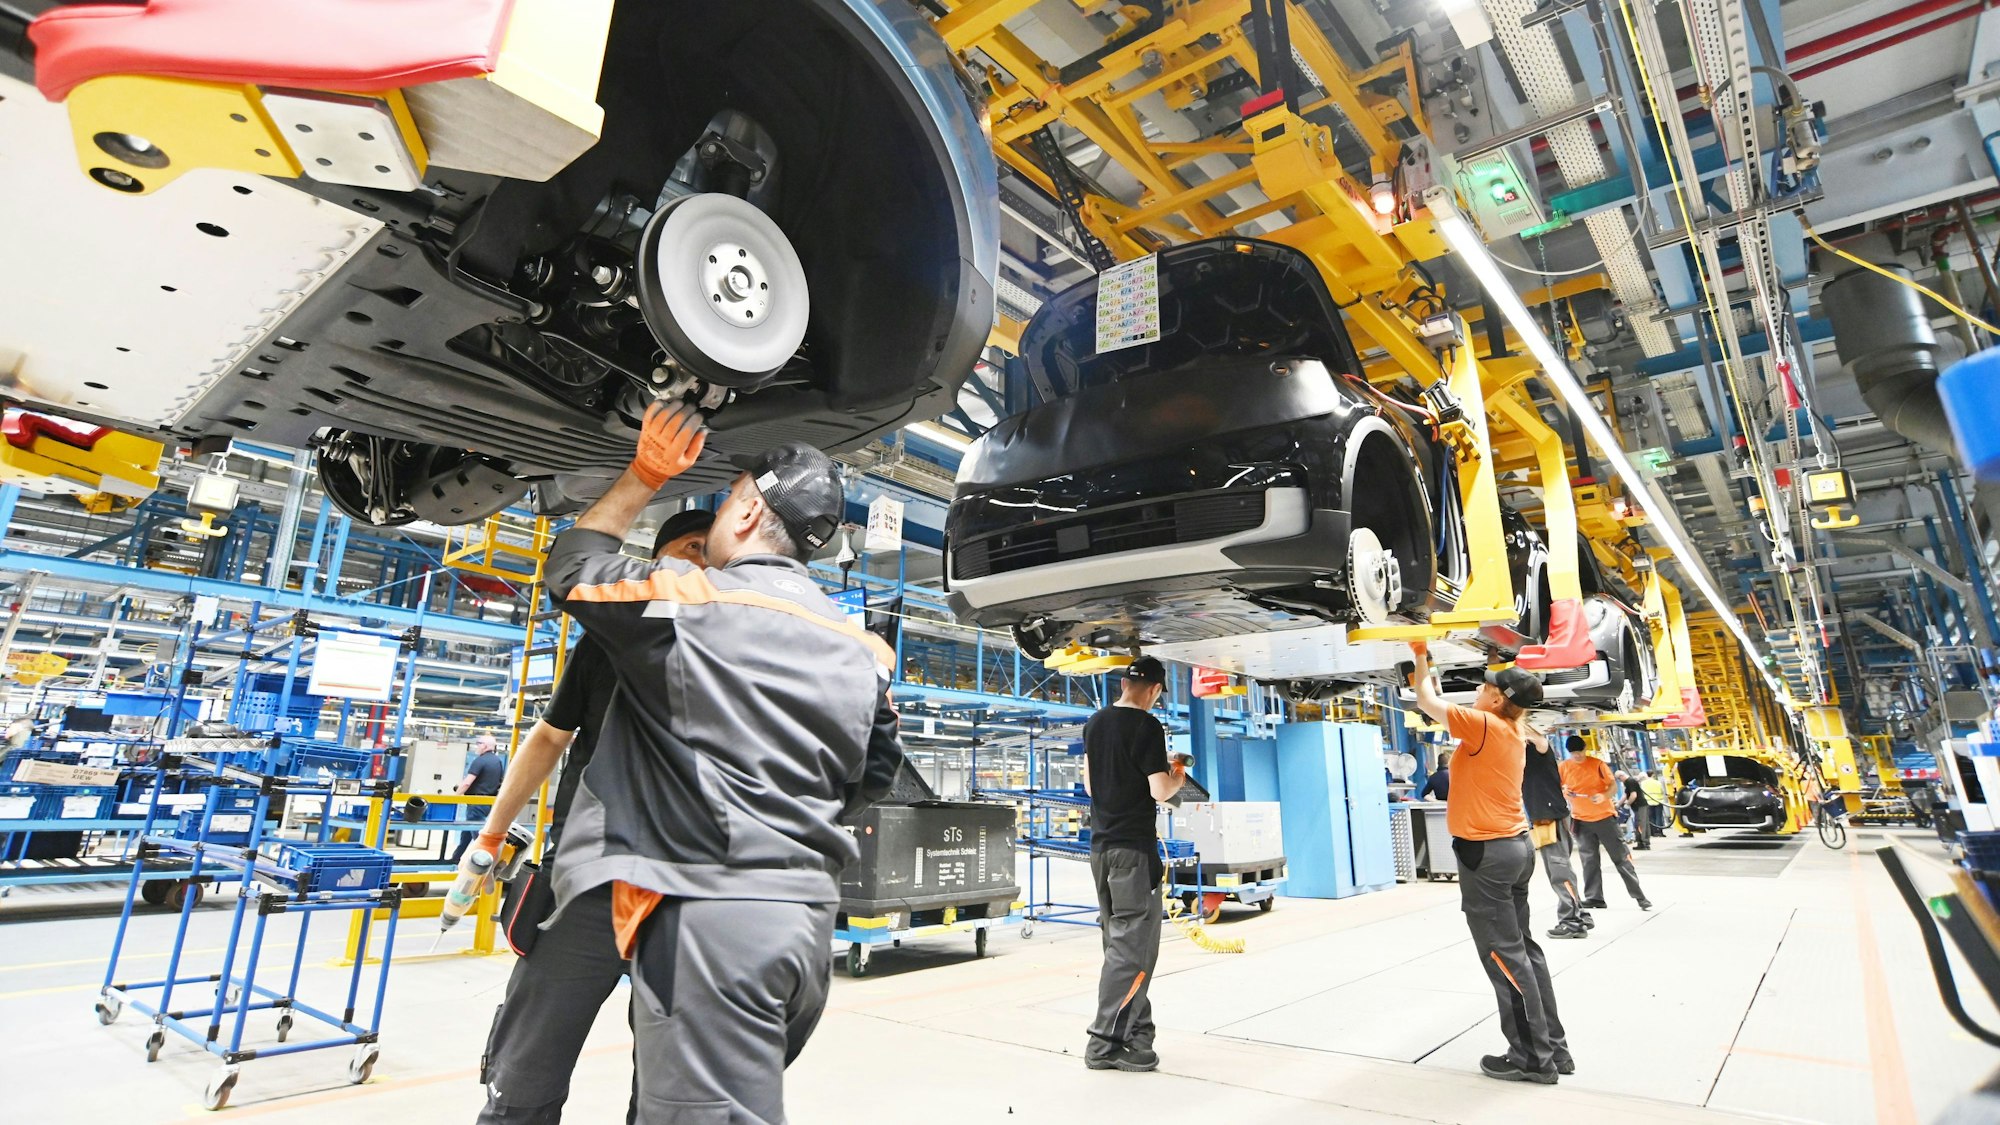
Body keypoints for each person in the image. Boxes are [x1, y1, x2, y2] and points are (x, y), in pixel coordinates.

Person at [467, 403, 905, 1124]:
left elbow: (573, 566)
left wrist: (646, 473)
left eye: (728, 501)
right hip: (795, 926)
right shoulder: (863, 648)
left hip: (703, 918)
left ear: (745, 514)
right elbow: (873, 774)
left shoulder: (689, 602)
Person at [454, 508, 712, 1124]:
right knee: (526, 1068)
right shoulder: (610, 640)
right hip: (588, 884)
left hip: (689, 893)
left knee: (676, 1089)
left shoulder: (746, 650)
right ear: (656, 560)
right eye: (691, 548)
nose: (704, 563)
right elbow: (549, 738)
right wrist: (491, 835)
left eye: (714, 552)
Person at [1408, 646, 1570, 1084]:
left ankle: (1531, 1059)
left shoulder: (1485, 725)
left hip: (1489, 855)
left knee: (1504, 956)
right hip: (1515, 849)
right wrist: (1427, 670)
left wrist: (1420, 655)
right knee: (1524, 951)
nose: (1478, 692)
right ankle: (1554, 1048)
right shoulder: (1512, 729)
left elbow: (1427, 702)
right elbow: (1436, 702)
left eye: (1483, 688)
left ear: (1497, 698)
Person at [1080, 656, 1182, 1073]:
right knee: (1132, 951)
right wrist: (1176, 775)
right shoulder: (1147, 726)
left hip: (1101, 851)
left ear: (1124, 683)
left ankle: (1137, 1036)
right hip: (1132, 854)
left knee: (1120, 944)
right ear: (1155, 690)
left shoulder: (1095, 723)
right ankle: (1104, 1043)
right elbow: (1159, 791)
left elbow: (1090, 786)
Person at [1560, 736, 1651, 911]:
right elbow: (1559, 786)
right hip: (1581, 821)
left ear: (1585, 749)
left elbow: (1613, 787)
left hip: (1605, 818)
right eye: (1573, 753)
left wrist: (1604, 796)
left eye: (1580, 752)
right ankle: (1594, 898)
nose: (1577, 756)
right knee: (1589, 861)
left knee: (1621, 858)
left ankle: (1640, 897)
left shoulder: (1598, 765)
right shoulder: (1564, 767)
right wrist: (1565, 791)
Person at [1522, 730, 1589, 939]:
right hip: (1546, 816)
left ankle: (1571, 921)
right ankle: (1580, 914)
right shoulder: (1524, 754)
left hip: (1550, 816)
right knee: (1559, 868)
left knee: (1559, 870)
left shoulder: (1539, 746)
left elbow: (1539, 740)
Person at [450, 734, 507, 862]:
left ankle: (485, 861)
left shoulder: (480, 761)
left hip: (476, 804)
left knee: (479, 836)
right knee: (467, 833)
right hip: (487, 803)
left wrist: (455, 797)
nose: (477, 746)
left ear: (485, 746)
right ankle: (456, 858)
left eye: (479, 743)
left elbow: (467, 783)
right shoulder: (497, 762)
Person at [1624, 769, 1656, 850]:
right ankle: (1645, 842)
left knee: (1640, 824)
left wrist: (1627, 803)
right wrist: (1619, 804)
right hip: (1642, 805)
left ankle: (1643, 843)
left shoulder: (1630, 782)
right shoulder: (1630, 782)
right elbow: (1626, 795)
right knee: (1643, 823)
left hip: (1640, 806)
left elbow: (1633, 795)